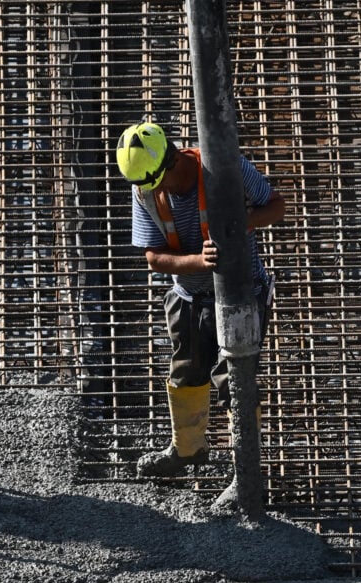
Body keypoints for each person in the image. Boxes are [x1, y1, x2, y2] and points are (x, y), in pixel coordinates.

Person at [114, 120, 285, 489]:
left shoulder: (226, 168)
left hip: (240, 294)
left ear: (173, 160)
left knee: (234, 381)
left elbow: (275, 207)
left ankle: (247, 478)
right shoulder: (144, 187)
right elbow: (154, 258)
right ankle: (188, 448)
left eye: (154, 182)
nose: (150, 191)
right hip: (189, 297)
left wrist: (240, 225)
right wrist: (198, 261)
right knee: (186, 373)